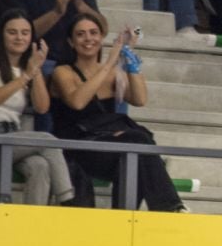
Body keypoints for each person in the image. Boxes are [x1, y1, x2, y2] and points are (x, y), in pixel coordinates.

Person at [50, 11, 184, 211]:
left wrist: (131, 63)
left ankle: (123, 218)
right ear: (71, 42)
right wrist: (110, 62)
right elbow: (77, 102)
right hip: (77, 146)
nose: (88, 38)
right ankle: (169, 207)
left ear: (101, 37)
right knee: (138, 142)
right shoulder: (63, 72)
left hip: (110, 146)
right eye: (81, 34)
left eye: (94, 33)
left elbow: (140, 99)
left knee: (135, 157)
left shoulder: (113, 72)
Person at [0, 10, 74, 205]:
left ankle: (34, 223)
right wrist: (24, 77)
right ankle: (68, 200)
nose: (19, 37)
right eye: (12, 32)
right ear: (1, 35)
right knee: (48, 140)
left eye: (25, 33)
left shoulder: (29, 67)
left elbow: (42, 107)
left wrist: (36, 71)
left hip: (14, 138)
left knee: (40, 165)